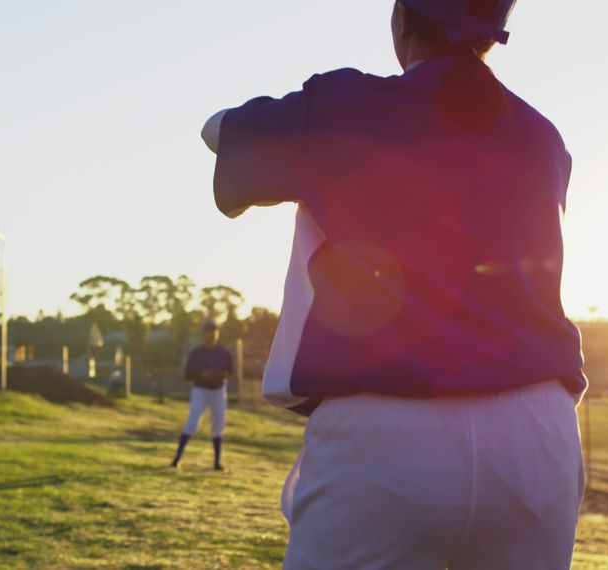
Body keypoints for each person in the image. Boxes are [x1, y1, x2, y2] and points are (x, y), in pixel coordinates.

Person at [202, 1, 586, 568]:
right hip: (538, 433)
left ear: (403, 20)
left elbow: (218, 133)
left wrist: (308, 131)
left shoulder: (345, 105)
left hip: (389, 428)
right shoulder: (542, 136)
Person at [170, 319, 234, 470]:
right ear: (203, 335)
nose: (211, 335)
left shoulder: (224, 353)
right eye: (208, 332)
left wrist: (220, 374)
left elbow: (230, 373)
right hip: (201, 390)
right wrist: (202, 374)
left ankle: (217, 462)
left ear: (217, 334)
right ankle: (177, 459)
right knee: (192, 422)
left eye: (214, 332)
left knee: (218, 424)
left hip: (218, 390)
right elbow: (187, 375)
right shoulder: (196, 353)